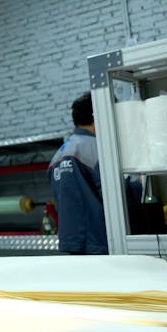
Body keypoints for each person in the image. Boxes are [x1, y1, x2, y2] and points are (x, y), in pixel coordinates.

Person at [48, 92, 110, 254]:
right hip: (100, 241)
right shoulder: (99, 149)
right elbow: (116, 194)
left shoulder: (57, 156)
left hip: (71, 243)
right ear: (97, 116)